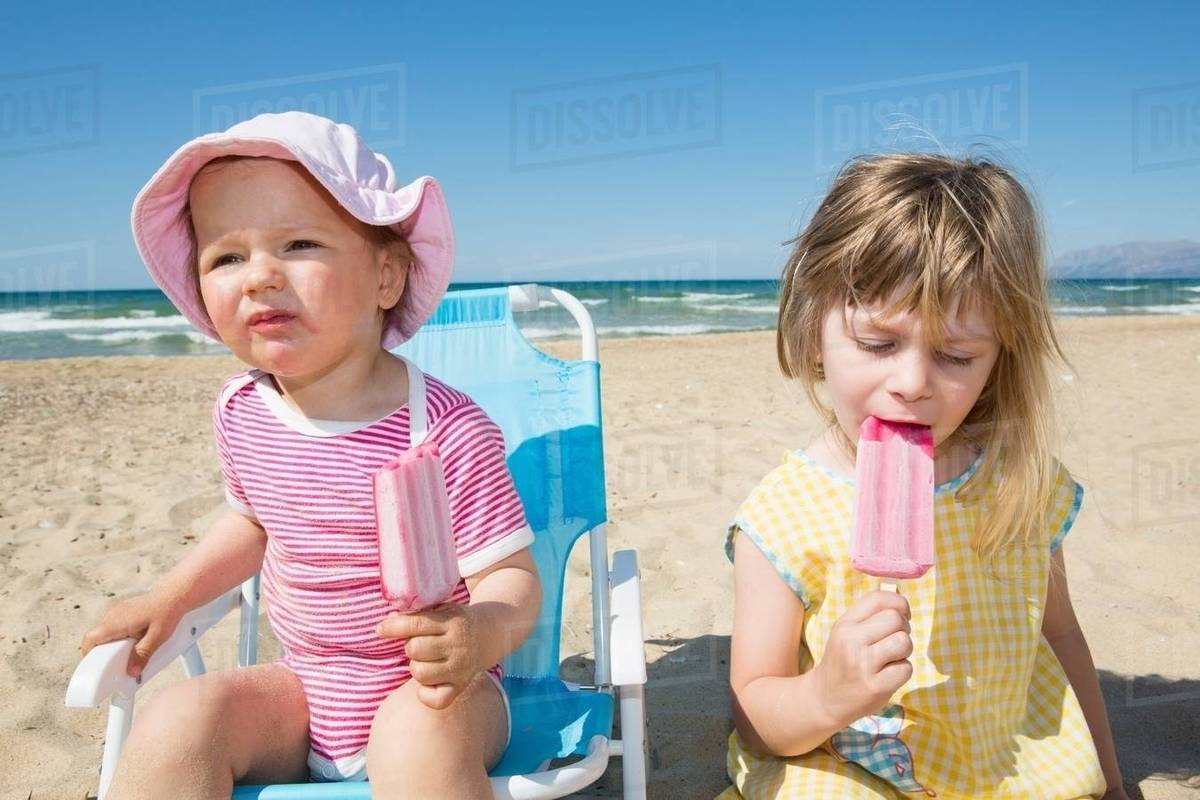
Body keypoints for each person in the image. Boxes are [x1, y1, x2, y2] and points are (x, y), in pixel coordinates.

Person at [79, 111, 540, 800]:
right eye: (225, 257)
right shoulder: (243, 412)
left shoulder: (445, 429)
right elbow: (250, 524)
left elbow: (513, 579)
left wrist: (478, 633)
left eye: (297, 244)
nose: (259, 277)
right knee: (179, 716)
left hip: (440, 690)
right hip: (306, 689)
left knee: (414, 735)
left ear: (386, 277)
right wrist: (170, 597)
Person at [719, 153, 1128, 799]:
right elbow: (757, 712)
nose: (912, 384)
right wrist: (828, 694)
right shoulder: (781, 518)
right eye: (878, 344)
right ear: (812, 328)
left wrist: (1112, 781)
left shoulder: (1022, 482)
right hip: (854, 763)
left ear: (1001, 358)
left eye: (956, 355)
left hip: (1006, 758)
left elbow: (1061, 634)